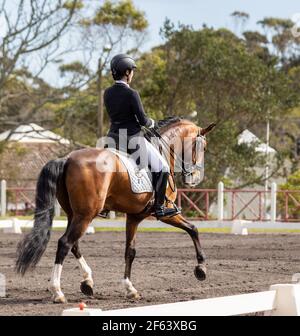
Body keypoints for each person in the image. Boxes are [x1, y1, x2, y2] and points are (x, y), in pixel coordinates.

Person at [104, 54, 179, 219]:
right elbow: (143, 120)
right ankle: (159, 208)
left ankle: (104, 206)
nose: (132, 74)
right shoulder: (132, 94)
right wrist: (152, 122)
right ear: (127, 72)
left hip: (113, 139)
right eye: (132, 71)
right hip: (132, 139)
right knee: (163, 168)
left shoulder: (107, 93)